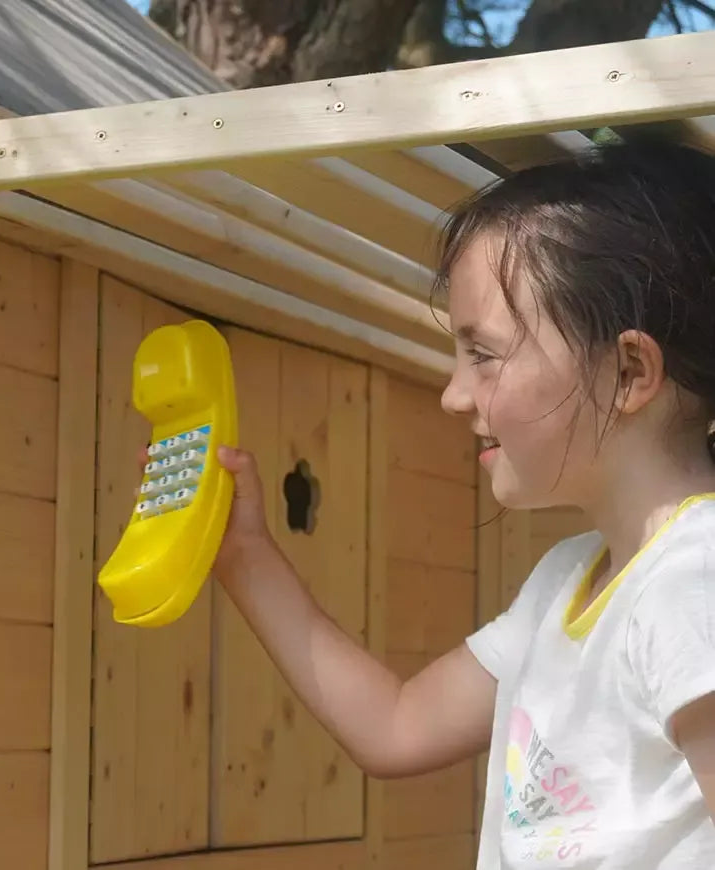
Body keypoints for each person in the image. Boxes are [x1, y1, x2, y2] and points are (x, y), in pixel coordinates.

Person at [139, 138, 715, 867]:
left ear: (629, 371)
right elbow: (396, 725)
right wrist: (244, 554)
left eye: (483, 354)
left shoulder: (693, 582)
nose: (452, 394)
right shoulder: (566, 583)